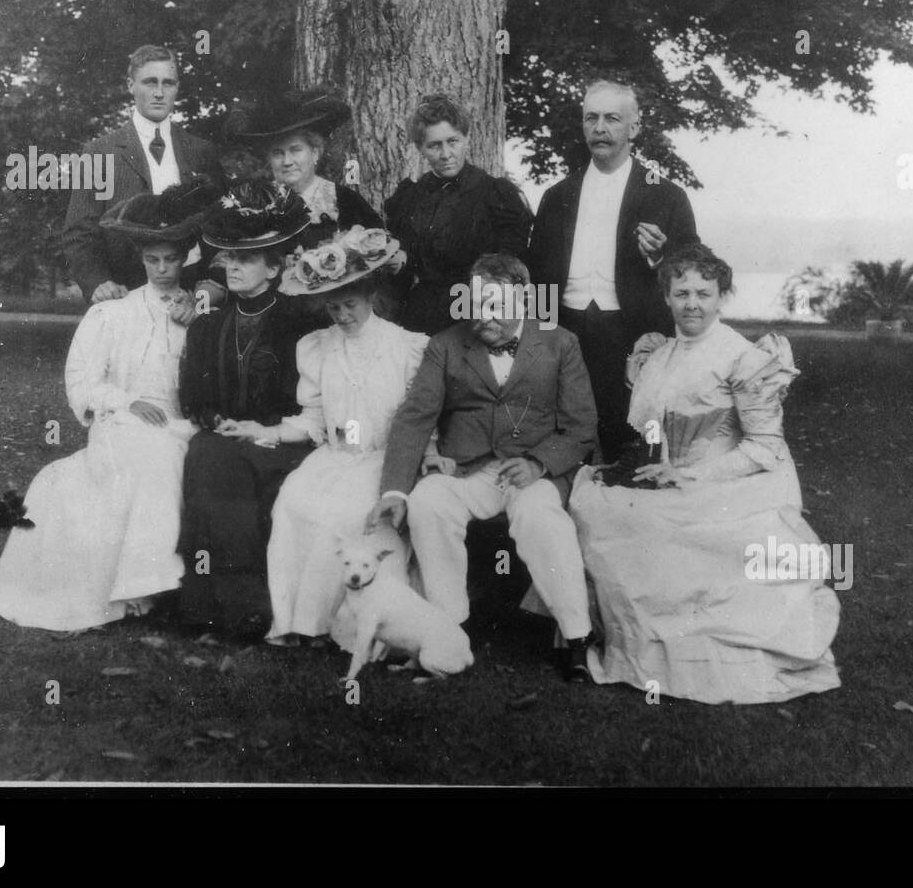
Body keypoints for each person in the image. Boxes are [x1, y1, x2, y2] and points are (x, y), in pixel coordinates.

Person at [569, 243, 842, 704]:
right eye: (682, 293)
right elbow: (656, 426)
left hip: (732, 483)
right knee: (595, 504)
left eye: (704, 293)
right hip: (671, 473)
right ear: (667, 297)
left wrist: (693, 476)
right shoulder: (657, 353)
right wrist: (646, 464)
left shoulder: (743, 357)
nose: (692, 303)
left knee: (653, 524)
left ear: (721, 297)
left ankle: (692, 654)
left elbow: (765, 447)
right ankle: (631, 644)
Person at [0, 181, 222, 631]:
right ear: (141, 260)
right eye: (153, 260)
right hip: (121, 420)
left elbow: (208, 380)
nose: (163, 268)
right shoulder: (114, 312)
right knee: (147, 457)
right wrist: (128, 402)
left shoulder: (195, 315)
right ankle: (139, 585)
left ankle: (158, 583)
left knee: (174, 454)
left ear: (185, 258)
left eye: (171, 259)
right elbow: (84, 380)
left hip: (181, 420)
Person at [367, 253, 599, 681]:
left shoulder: (559, 342)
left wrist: (538, 463)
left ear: (524, 301)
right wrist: (395, 491)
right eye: (476, 305)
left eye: (497, 306)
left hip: (532, 469)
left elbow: (581, 427)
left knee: (540, 519)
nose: (484, 317)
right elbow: (414, 418)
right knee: (428, 502)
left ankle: (577, 639)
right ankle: (447, 629)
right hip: (467, 469)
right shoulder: (445, 345)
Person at [264, 226, 429, 651]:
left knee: (342, 514)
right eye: (333, 307)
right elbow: (316, 415)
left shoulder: (407, 347)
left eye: (350, 304)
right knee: (293, 502)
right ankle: (295, 620)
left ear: (372, 297)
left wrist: (426, 457)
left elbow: (421, 417)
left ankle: (334, 626)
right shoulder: (317, 346)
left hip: (385, 458)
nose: (342, 315)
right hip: (336, 455)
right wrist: (269, 432)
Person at [175, 181, 322, 637]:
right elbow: (194, 395)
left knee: (230, 463)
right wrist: (214, 418)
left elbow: (311, 402)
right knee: (208, 454)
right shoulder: (208, 325)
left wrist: (262, 429)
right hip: (225, 435)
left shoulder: (302, 323)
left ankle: (248, 608)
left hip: (282, 438)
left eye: (246, 259)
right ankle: (209, 606)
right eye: (228, 259)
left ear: (275, 266)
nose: (232, 268)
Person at [528, 80, 699, 460]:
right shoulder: (557, 196)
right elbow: (537, 274)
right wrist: (540, 336)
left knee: (629, 443)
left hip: (630, 333)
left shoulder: (666, 196)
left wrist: (660, 257)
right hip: (564, 331)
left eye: (611, 118)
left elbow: (695, 274)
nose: (600, 127)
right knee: (563, 439)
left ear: (633, 128)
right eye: (591, 118)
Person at [62, 44, 226, 305]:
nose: (159, 93)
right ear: (131, 85)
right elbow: (79, 232)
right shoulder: (98, 152)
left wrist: (204, 295)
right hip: (123, 296)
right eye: (150, 82)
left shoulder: (201, 151)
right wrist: (97, 283)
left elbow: (220, 232)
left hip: (190, 297)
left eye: (168, 83)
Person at [385, 94, 532, 334]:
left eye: (452, 141)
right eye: (434, 145)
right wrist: (400, 262)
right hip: (422, 315)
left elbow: (512, 268)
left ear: (467, 139)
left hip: (477, 315)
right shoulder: (411, 196)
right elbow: (408, 264)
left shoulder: (495, 194)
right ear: (420, 148)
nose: (445, 154)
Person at [223, 89, 382, 252]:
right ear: (269, 160)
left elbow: (379, 249)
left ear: (314, 153)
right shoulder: (255, 203)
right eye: (278, 153)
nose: (287, 161)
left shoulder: (345, 200)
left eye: (296, 150)